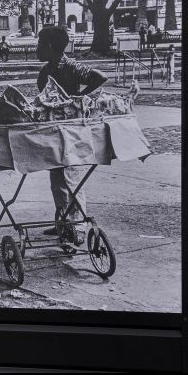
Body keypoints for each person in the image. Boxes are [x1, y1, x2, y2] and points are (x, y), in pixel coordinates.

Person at [35, 26, 108, 237]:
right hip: (54, 131)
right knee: (57, 180)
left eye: (39, 44)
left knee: (72, 179)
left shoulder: (70, 66)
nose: (37, 48)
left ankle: (77, 228)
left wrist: (78, 98)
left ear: (48, 46)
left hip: (72, 132)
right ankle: (63, 222)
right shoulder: (46, 70)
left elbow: (99, 76)